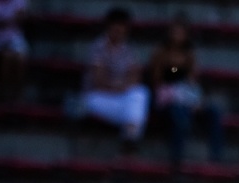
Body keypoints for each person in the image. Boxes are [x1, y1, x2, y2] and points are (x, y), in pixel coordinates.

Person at [148, 16, 221, 168]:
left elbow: (192, 82)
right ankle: (177, 159)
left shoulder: (190, 55)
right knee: (179, 113)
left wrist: (195, 100)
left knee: (214, 112)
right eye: (174, 32)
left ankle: (216, 158)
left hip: (185, 97)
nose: (177, 35)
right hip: (167, 99)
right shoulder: (161, 53)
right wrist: (174, 94)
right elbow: (157, 82)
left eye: (180, 32)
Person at [77, 6, 146, 151]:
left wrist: (122, 87)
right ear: (109, 27)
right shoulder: (98, 47)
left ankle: (130, 137)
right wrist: (117, 87)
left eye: (122, 29)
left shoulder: (128, 50)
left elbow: (135, 77)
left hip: (120, 97)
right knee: (133, 112)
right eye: (116, 28)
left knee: (140, 93)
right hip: (98, 96)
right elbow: (97, 79)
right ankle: (130, 133)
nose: (119, 32)